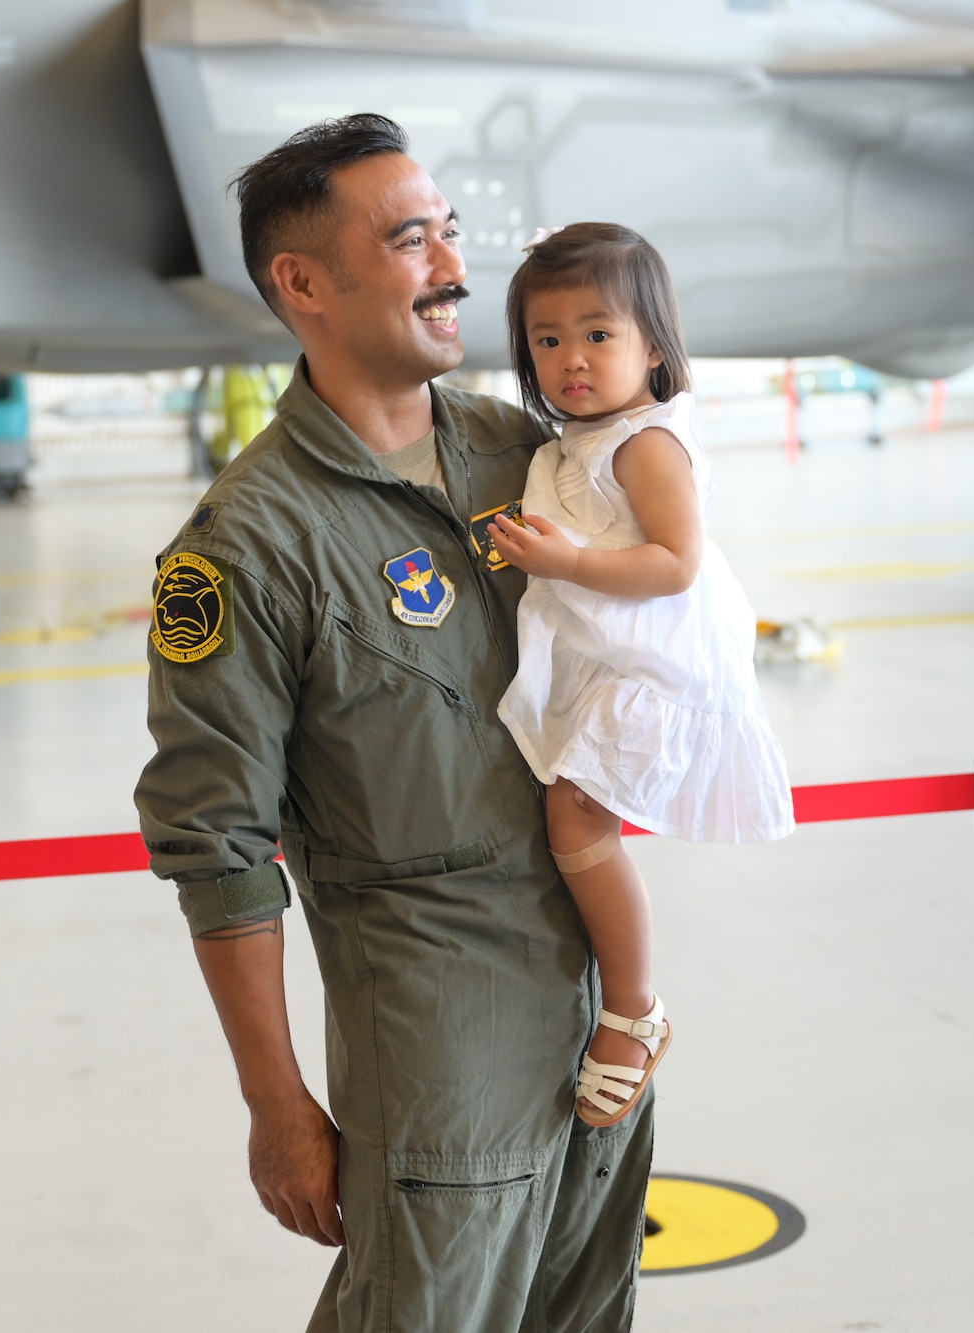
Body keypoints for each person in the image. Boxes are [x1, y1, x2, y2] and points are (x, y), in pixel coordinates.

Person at [134, 115, 654, 1331]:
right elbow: (214, 848)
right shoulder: (242, 546)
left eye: (450, 232)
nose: (453, 268)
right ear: (302, 283)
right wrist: (277, 1106)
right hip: (440, 1068)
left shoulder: (525, 458)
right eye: (411, 238)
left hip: (600, 1037)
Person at [486, 222, 793, 1127]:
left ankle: (634, 1008)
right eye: (547, 340)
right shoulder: (579, 441)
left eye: (597, 334)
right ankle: (624, 996)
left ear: (653, 345)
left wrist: (572, 559)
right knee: (568, 818)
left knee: (577, 819)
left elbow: (675, 562)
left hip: (654, 668)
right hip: (605, 656)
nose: (570, 359)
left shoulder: (647, 443)